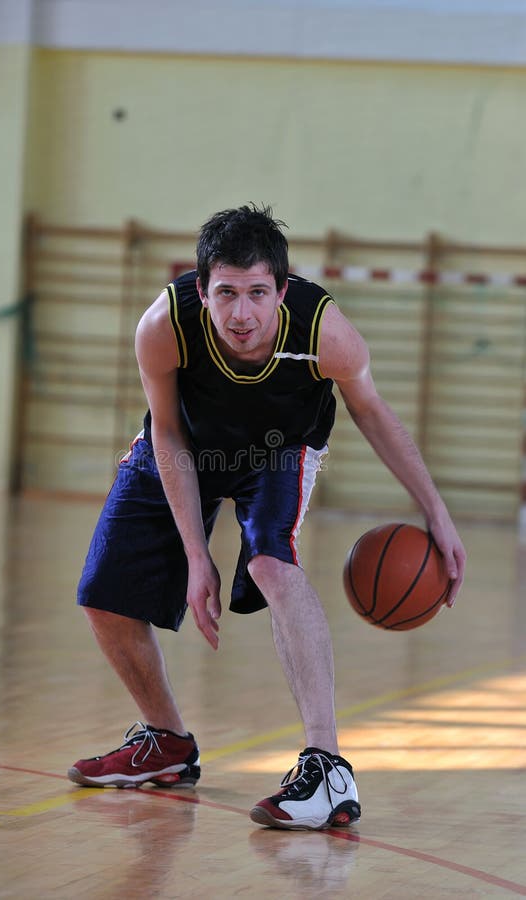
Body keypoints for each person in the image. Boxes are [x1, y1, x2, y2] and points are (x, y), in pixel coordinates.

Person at [68, 204, 466, 830]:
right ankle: (167, 743)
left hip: (279, 447)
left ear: (283, 291)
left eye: (258, 292)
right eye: (226, 293)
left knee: (271, 564)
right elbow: (167, 432)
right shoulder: (162, 327)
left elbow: (372, 412)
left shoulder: (323, 332)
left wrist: (436, 511)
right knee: (103, 595)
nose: (242, 313)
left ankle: (327, 768)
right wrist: (196, 556)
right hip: (187, 444)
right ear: (202, 291)